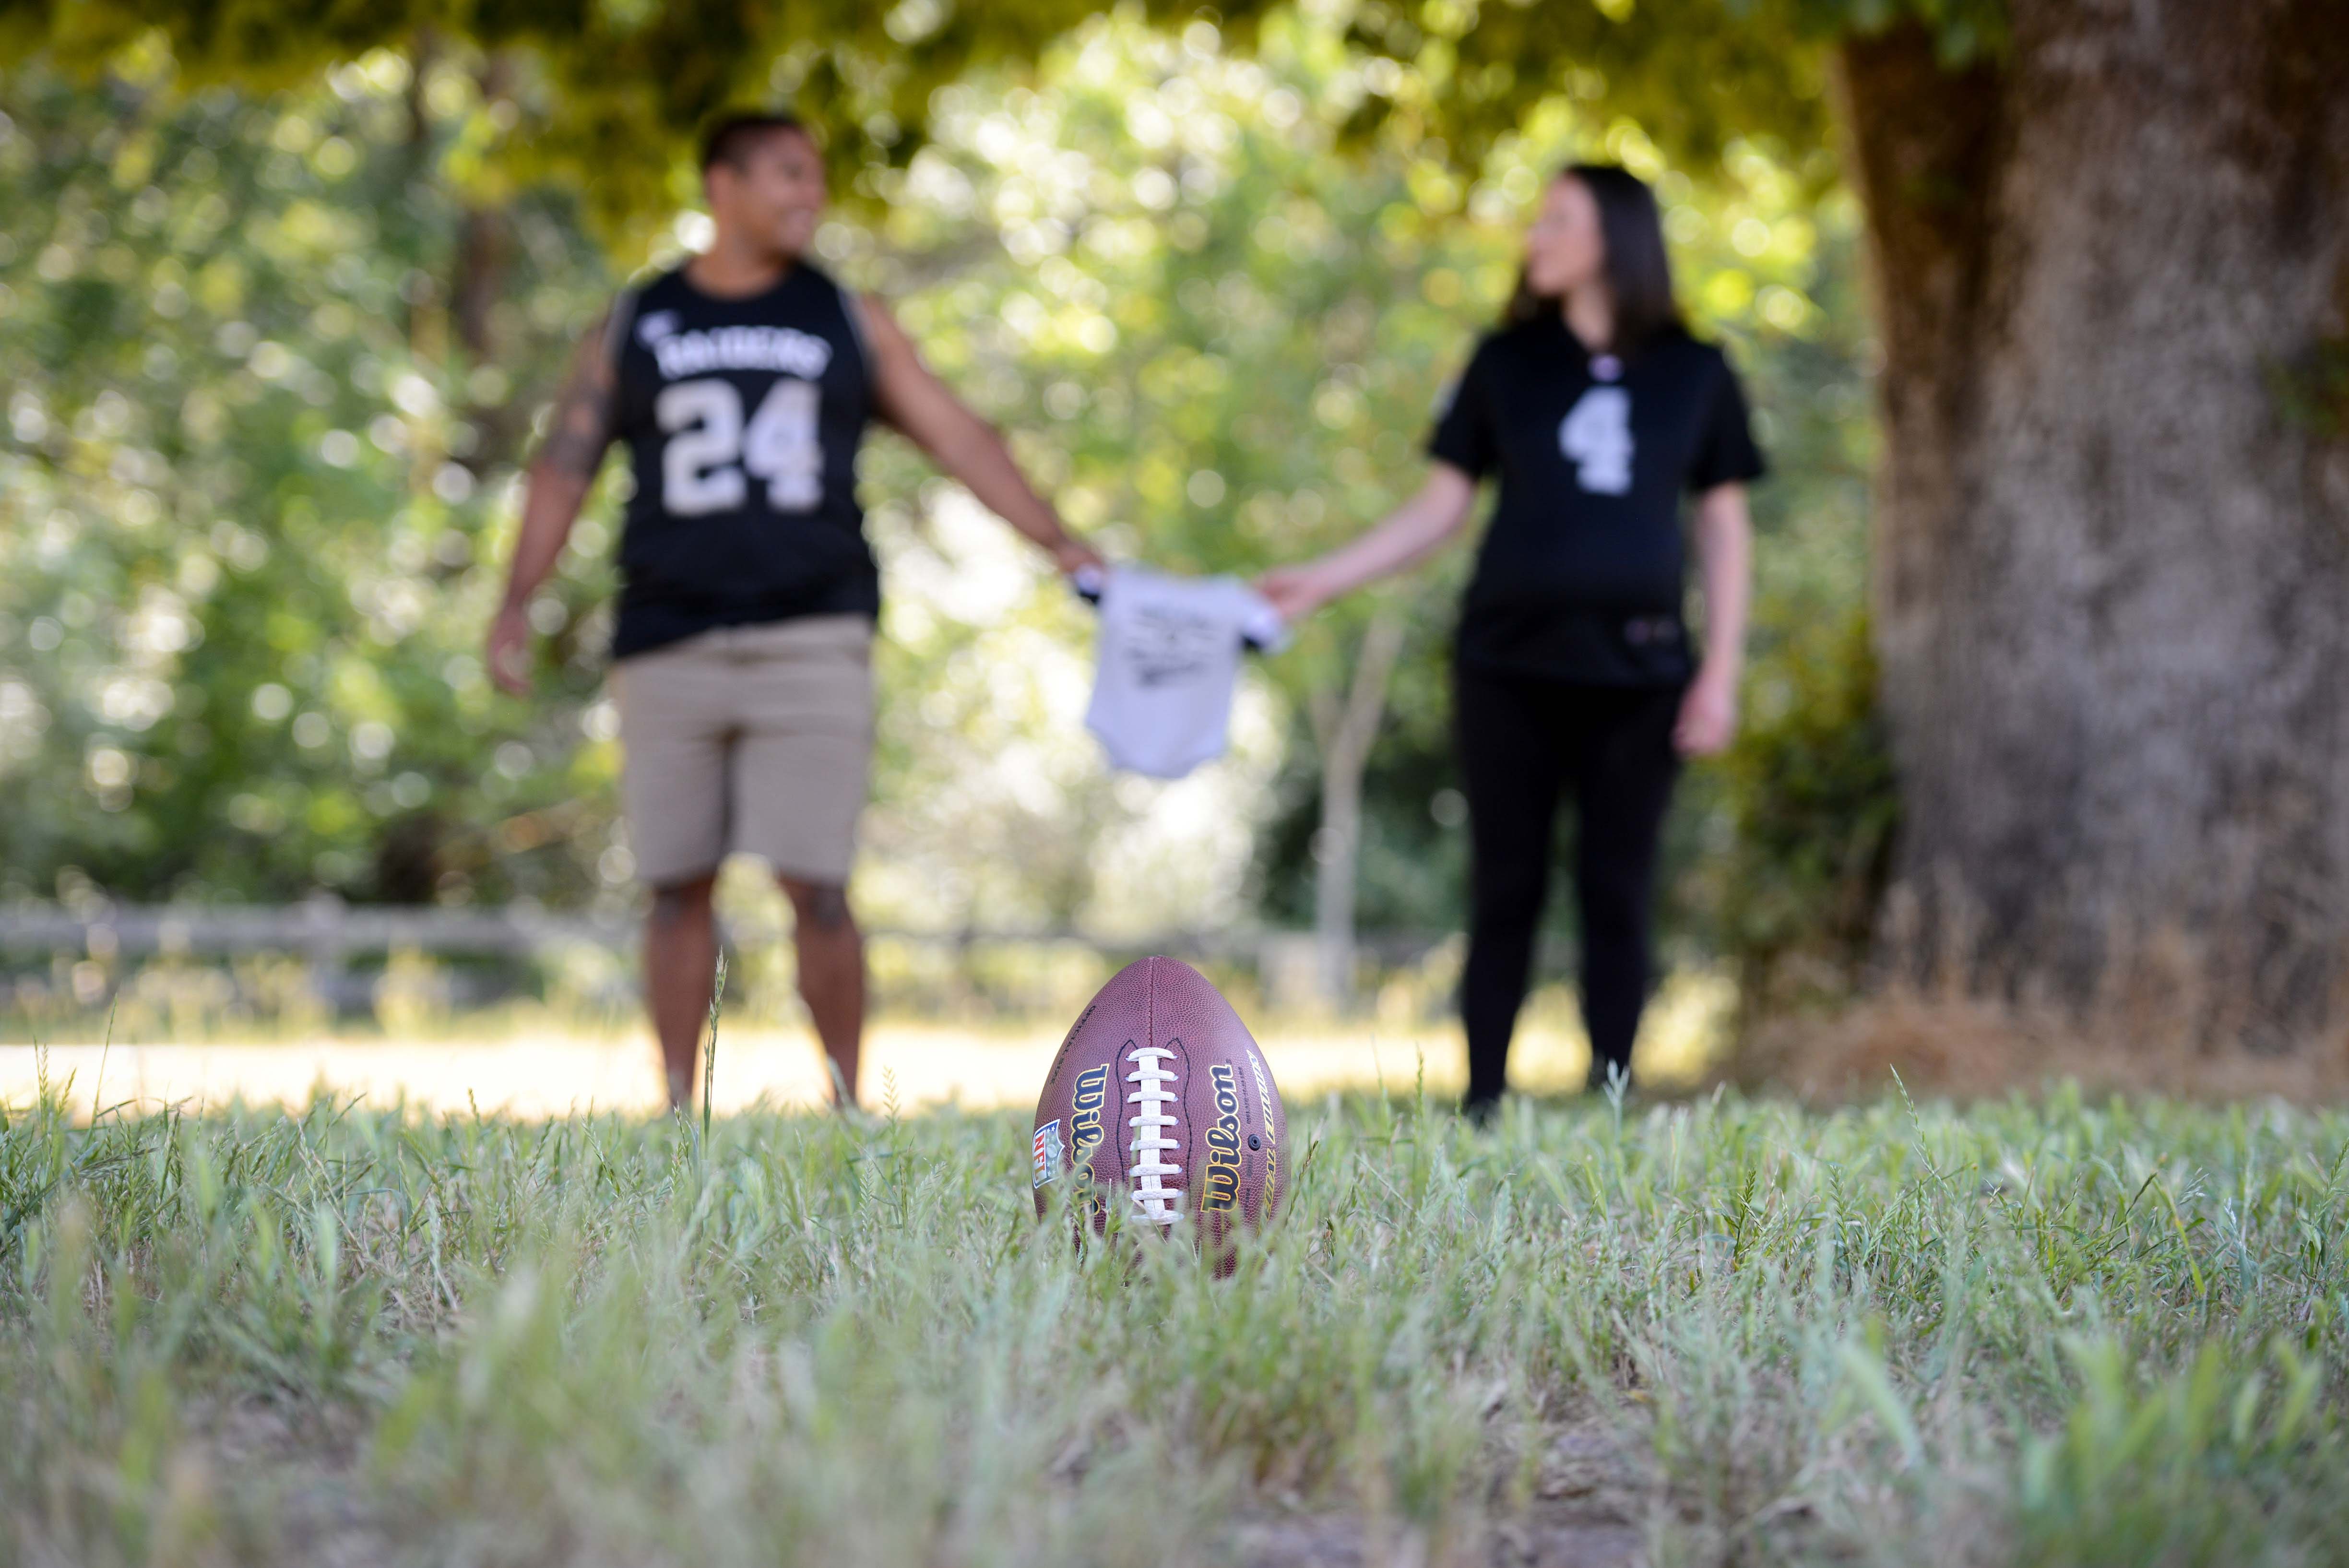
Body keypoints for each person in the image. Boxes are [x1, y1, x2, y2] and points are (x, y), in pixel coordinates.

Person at [488, 112, 1101, 1111]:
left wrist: (1062, 541)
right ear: (720, 184)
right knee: (675, 882)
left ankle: (849, 1104)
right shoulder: (637, 319)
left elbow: (958, 435)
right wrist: (517, 598)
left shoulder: (846, 316)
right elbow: (563, 464)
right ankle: (679, 1109)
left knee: (817, 882)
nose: (808, 195)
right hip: (666, 633)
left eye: (815, 177)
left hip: (813, 630)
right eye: (786, 175)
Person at [1258, 165, 1762, 1116]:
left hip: (1644, 671)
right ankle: (1483, 1102)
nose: (1534, 238)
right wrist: (1322, 578)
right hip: (1507, 667)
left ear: (1615, 235)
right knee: (1506, 885)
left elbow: (1724, 525)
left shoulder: (1698, 370)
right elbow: (1443, 505)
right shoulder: (1505, 362)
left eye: (1556, 220)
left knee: (1619, 888)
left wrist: (1721, 673)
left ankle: (1612, 1096)